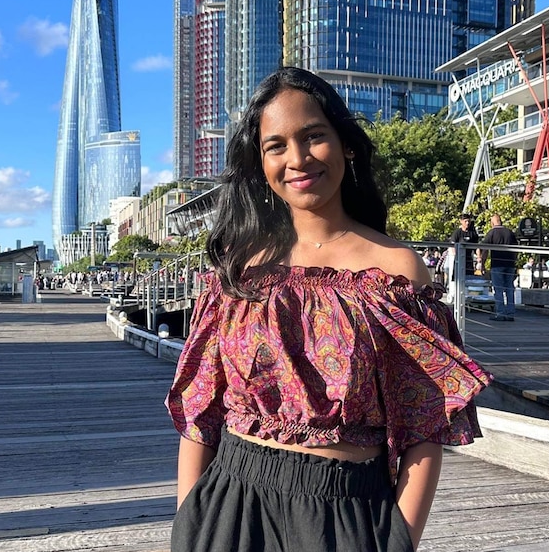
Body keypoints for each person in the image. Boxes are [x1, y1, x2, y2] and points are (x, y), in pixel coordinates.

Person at [165, 67, 492, 552]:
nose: (297, 159)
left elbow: (426, 421)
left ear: (346, 144)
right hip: (230, 504)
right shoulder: (240, 268)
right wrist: (189, 518)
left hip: (347, 513)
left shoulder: (395, 270)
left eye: (314, 136)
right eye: (276, 145)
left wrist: (399, 537)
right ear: (259, 162)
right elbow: (202, 409)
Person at [476, 214, 517, 321]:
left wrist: (483, 264)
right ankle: (510, 313)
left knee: (498, 289)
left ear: (492, 223)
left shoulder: (492, 233)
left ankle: (500, 313)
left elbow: (484, 250)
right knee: (509, 289)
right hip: (510, 264)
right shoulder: (510, 232)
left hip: (497, 264)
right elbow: (516, 249)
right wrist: (514, 262)